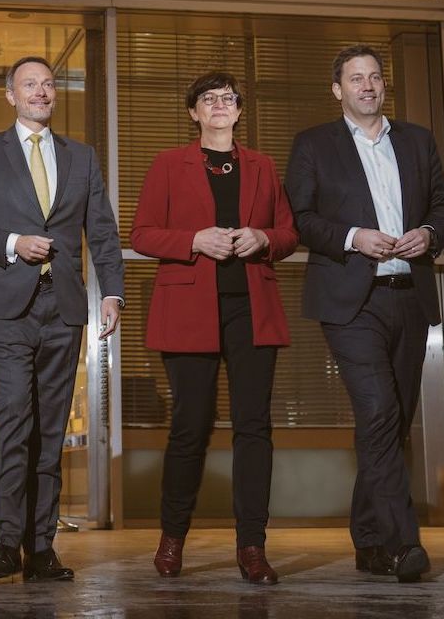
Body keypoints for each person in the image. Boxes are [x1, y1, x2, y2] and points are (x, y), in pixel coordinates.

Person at [0, 55, 125, 582]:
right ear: (11, 95)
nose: (41, 93)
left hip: (64, 308)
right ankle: (5, 543)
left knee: (50, 430)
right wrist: (10, 243)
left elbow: (103, 232)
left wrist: (111, 293)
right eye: (30, 85)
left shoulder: (82, 157)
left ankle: (41, 546)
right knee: (11, 423)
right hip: (7, 310)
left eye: (48, 85)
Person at [285, 45, 444, 584]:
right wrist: (355, 237)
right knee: (380, 410)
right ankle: (405, 544)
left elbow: (443, 208)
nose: (367, 86)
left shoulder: (418, 140)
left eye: (375, 77)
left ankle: (368, 540)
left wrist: (427, 235)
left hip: (409, 294)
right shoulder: (314, 145)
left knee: (392, 421)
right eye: (355, 79)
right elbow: (300, 219)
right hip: (350, 301)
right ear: (337, 90)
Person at [130, 72, 298, 585]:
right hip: (188, 310)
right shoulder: (167, 164)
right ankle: (172, 538)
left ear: (239, 110)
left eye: (228, 98)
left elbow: (290, 233)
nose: (219, 105)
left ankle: (252, 546)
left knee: (254, 429)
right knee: (190, 427)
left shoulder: (263, 166)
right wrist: (194, 241)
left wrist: (262, 237)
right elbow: (141, 234)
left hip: (252, 307)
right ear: (193, 113)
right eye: (209, 99)